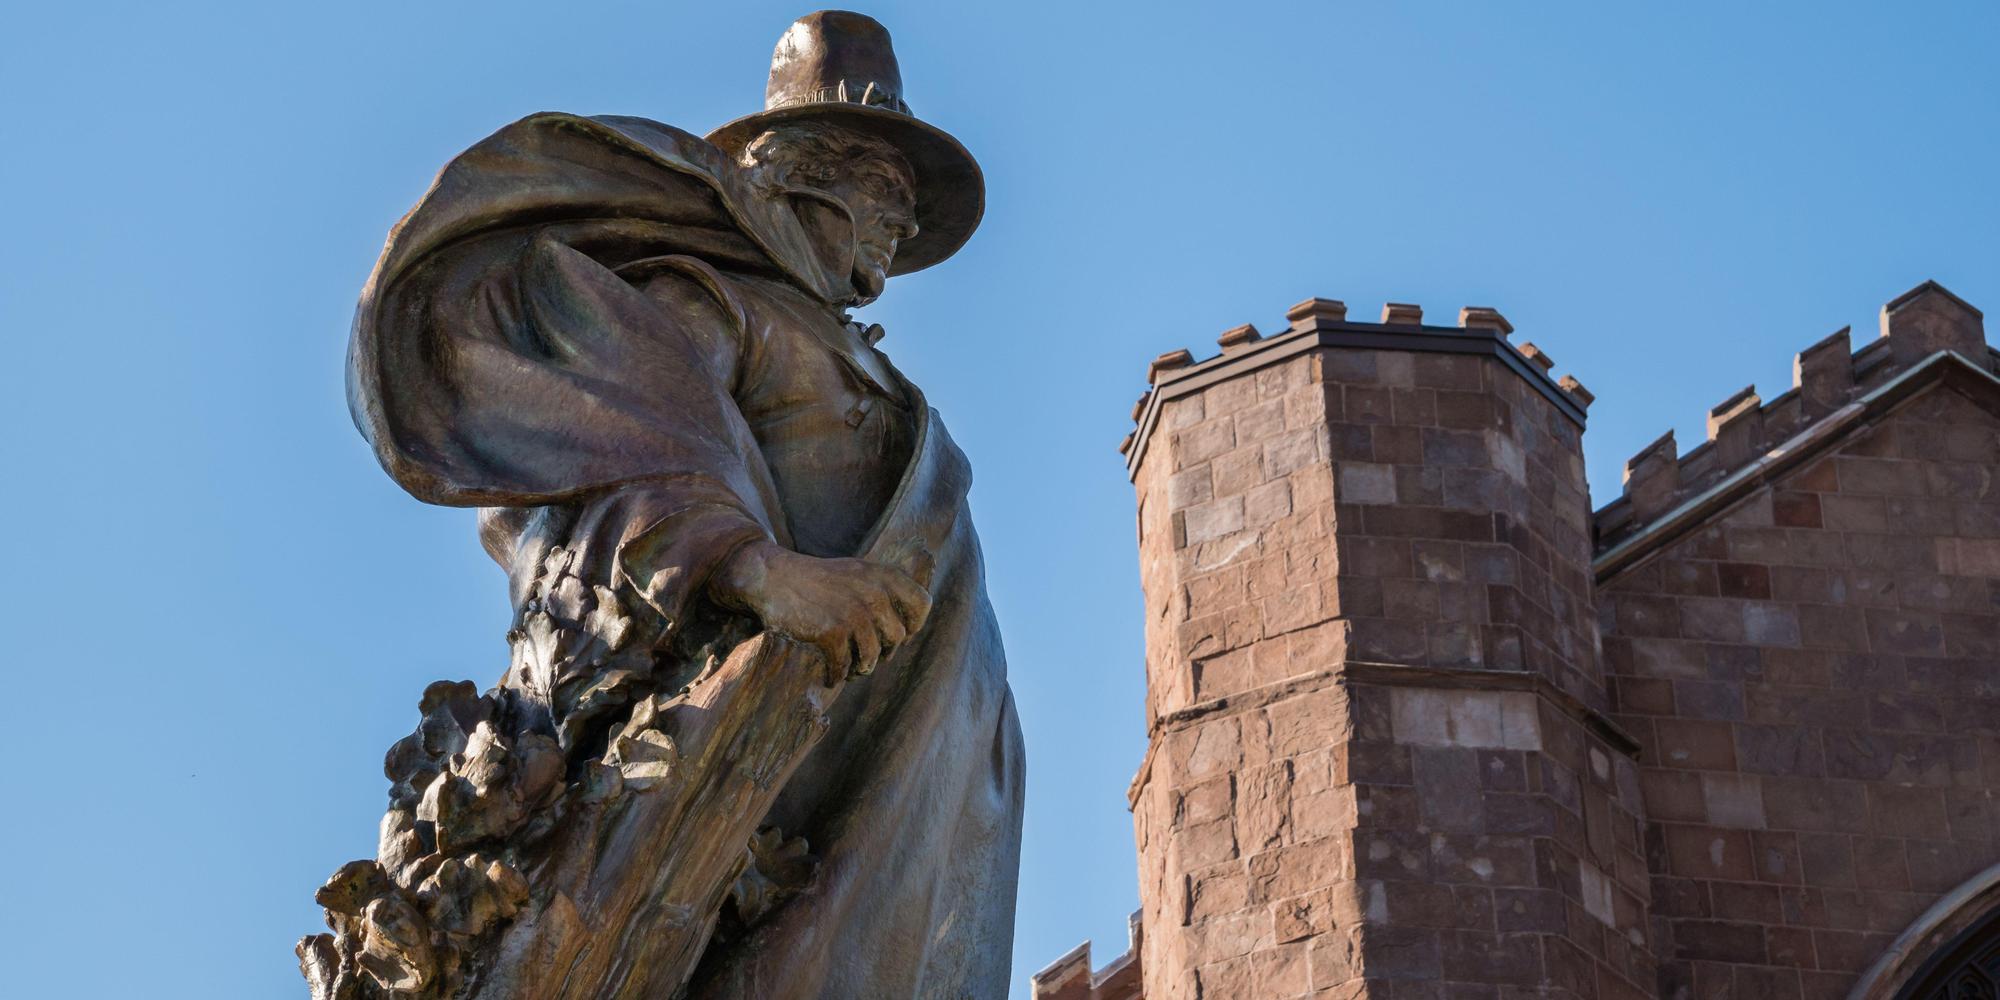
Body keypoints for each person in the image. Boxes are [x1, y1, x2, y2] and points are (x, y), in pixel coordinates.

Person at [345, 11, 1023, 997]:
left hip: (907, 777)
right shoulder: (714, 300)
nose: (900, 229)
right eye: (888, 194)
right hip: (789, 750)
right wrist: (757, 567)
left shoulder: (852, 354)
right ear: (815, 176)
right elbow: (614, 438)